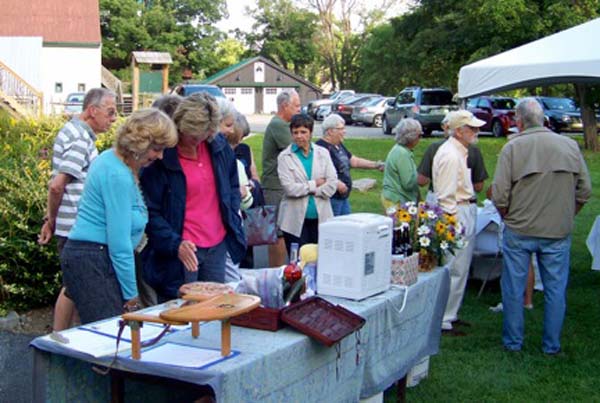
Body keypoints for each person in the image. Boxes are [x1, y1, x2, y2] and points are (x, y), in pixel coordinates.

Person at [490, 98, 591, 354]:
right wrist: (568, 214)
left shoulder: (513, 148)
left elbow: (499, 194)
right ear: (544, 119)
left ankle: (513, 343)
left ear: (519, 121)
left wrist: (507, 217)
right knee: (555, 290)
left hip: (520, 229)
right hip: (556, 231)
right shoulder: (569, 146)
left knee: (513, 288)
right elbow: (584, 191)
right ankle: (551, 346)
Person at [60, 109, 177, 324]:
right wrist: (131, 297)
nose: (160, 156)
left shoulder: (113, 161)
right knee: (109, 335)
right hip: (93, 257)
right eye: (157, 149)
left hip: (91, 255)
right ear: (140, 145)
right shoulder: (117, 174)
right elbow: (119, 243)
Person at [141, 93, 245, 301]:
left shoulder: (218, 147)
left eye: (200, 136)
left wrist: (231, 210)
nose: (193, 141)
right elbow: (150, 210)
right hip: (181, 250)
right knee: (180, 311)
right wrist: (174, 243)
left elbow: (232, 184)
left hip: (216, 244)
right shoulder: (162, 156)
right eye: (189, 135)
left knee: (214, 310)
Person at [38, 88, 117, 330]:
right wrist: (51, 220)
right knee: (74, 286)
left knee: (74, 285)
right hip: (75, 226)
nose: (114, 119)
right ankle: (59, 341)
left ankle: (69, 338)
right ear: (92, 111)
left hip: (71, 224)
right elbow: (57, 185)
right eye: (110, 112)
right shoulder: (81, 139)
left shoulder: (74, 131)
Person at [432, 110, 485, 336]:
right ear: (459, 131)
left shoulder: (459, 151)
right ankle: (443, 318)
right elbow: (445, 196)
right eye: (472, 128)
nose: (476, 132)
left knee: (460, 268)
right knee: (453, 267)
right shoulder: (450, 155)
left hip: (465, 208)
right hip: (457, 212)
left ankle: (450, 314)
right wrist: (452, 225)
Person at [277, 114, 337, 254]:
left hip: (321, 218)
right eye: (295, 132)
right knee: (299, 262)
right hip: (294, 221)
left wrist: (312, 190)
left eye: (303, 132)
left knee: (322, 259)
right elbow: (290, 189)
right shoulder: (285, 157)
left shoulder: (323, 153)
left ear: (310, 133)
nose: (299, 136)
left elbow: (332, 184)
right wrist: (314, 184)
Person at [261, 89, 301, 265]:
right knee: (278, 234)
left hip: (282, 185)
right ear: (285, 106)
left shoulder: (284, 125)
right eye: (297, 105)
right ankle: (276, 273)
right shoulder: (278, 125)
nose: (300, 109)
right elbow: (297, 149)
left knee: (283, 232)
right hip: (275, 186)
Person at [316, 114, 384, 215]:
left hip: (343, 198)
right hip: (331, 199)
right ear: (330, 131)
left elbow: (354, 161)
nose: (344, 131)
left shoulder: (338, 145)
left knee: (346, 227)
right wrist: (337, 184)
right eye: (341, 128)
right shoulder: (320, 148)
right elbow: (318, 174)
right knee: (333, 228)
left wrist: (376, 165)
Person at [417, 111, 488, 196]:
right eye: (473, 128)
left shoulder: (435, 148)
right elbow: (478, 186)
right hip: (457, 202)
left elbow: (422, 180)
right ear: (458, 131)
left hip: (438, 196)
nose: (478, 131)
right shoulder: (467, 151)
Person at [381, 118, 422, 209]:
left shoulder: (400, 149)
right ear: (412, 137)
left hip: (394, 198)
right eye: (420, 135)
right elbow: (408, 184)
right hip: (397, 200)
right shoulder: (402, 154)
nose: (420, 138)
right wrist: (422, 177)